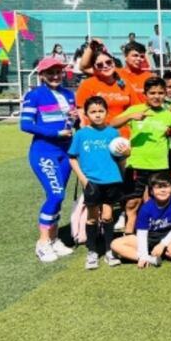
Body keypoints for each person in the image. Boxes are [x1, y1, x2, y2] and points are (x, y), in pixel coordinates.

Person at [21, 57, 78, 262]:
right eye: (50, 72)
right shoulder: (34, 95)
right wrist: (55, 134)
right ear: (41, 75)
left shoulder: (68, 94)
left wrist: (76, 117)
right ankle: (43, 243)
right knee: (55, 195)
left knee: (58, 197)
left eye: (58, 72)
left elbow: (72, 121)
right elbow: (25, 125)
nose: (55, 76)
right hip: (44, 152)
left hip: (65, 152)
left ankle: (54, 240)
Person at [112, 77, 171, 234]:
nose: (156, 96)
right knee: (132, 202)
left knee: (156, 201)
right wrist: (130, 117)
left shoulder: (169, 116)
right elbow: (112, 124)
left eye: (160, 93)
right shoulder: (135, 110)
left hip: (160, 166)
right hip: (136, 164)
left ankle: (151, 235)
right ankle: (129, 234)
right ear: (145, 94)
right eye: (152, 93)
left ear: (165, 94)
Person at [68, 96, 126, 268]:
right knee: (92, 218)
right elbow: (72, 158)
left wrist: (124, 162)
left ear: (107, 113)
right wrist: (84, 180)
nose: (97, 115)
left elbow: (120, 157)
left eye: (101, 111)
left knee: (108, 217)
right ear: (86, 114)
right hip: (92, 182)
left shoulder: (113, 133)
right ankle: (92, 252)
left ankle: (109, 250)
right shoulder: (81, 134)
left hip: (112, 180)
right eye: (93, 112)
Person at [110, 172, 171, 267]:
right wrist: (143, 255)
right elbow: (142, 233)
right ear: (151, 191)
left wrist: (162, 245)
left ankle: (157, 251)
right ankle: (150, 259)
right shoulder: (146, 208)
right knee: (115, 244)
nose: (163, 190)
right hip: (148, 238)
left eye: (166, 187)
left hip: (168, 236)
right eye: (158, 187)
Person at [75, 48, 139, 132]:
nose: (105, 66)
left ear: (113, 62)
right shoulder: (87, 84)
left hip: (123, 134)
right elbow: (81, 111)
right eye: (100, 65)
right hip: (98, 133)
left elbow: (136, 107)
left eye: (108, 62)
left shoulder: (125, 83)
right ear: (94, 67)